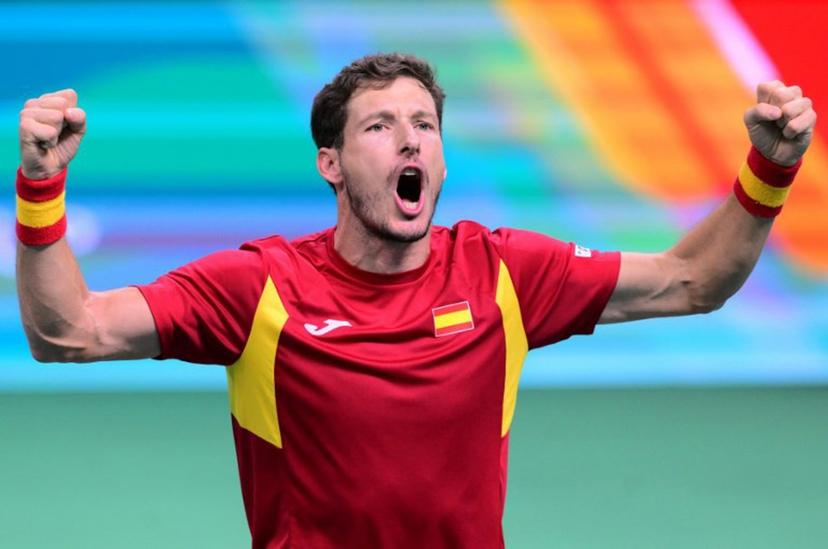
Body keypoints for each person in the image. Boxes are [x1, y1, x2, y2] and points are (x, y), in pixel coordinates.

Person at [15, 53, 816, 548]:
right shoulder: (258, 286)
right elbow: (70, 331)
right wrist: (42, 186)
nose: (410, 140)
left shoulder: (503, 271)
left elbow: (692, 278)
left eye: (425, 125)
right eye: (381, 126)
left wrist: (770, 168)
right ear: (330, 163)